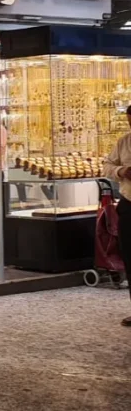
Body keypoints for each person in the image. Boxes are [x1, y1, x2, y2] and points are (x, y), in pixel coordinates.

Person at [101, 105, 131, 327]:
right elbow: (107, 166)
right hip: (129, 204)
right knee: (130, 256)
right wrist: (122, 171)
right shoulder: (124, 142)